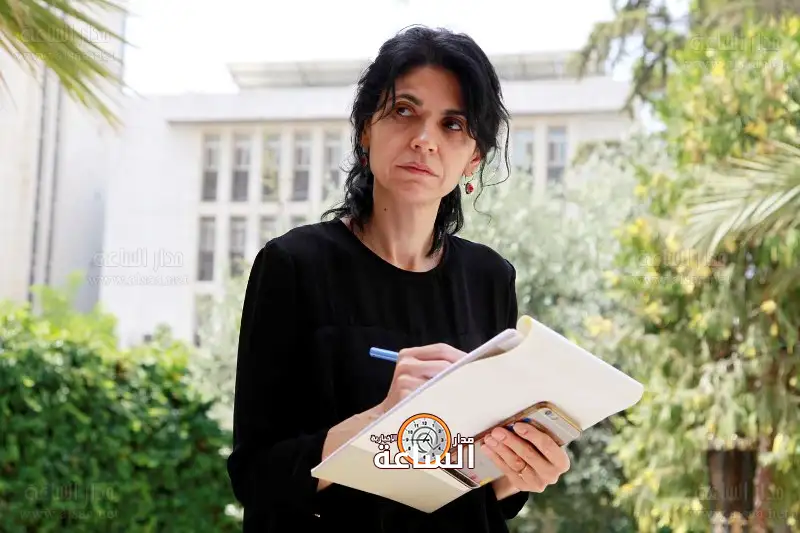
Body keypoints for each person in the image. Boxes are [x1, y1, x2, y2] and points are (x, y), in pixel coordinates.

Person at [226, 25, 571, 532]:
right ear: (365, 129)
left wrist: (520, 470)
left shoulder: (490, 278)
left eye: (453, 124)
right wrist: (382, 420)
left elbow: (477, 485)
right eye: (404, 111)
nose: (424, 140)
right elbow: (257, 477)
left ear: (474, 157)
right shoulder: (293, 265)